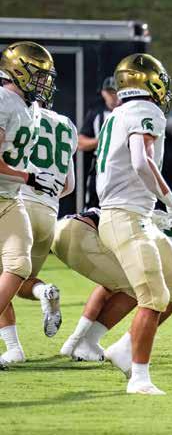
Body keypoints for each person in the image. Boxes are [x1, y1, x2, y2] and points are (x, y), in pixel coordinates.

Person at [95, 53, 172, 395]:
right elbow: (141, 161)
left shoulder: (117, 113)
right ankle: (139, 378)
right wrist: (170, 199)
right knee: (154, 296)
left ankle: (124, 349)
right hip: (126, 215)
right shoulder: (145, 110)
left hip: (134, 214)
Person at [55, 210, 172, 371]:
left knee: (122, 280)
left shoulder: (167, 221)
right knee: (152, 290)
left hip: (76, 226)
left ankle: (78, 341)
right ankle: (116, 347)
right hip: (89, 235)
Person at [0, 96, 79, 364]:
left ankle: (14, 348)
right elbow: (68, 185)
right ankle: (44, 292)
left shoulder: (21, 114)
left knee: (5, 277)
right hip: (49, 212)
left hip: (16, 201)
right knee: (21, 279)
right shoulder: (66, 124)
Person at [0, 41, 59, 371]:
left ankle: (12, 349)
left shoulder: (28, 106)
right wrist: (29, 176)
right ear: (19, 71)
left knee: (19, 267)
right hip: (8, 193)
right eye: (38, 76)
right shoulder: (3, 100)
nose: (43, 83)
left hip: (10, 197)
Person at [80, 76, 119, 209]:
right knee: (93, 207)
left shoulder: (128, 113)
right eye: (110, 92)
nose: (113, 96)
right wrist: (102, 140)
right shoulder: (96, 114)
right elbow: (81, 142)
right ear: (103, 93)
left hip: (123, 167)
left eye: (116, 92)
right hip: (101, 166)